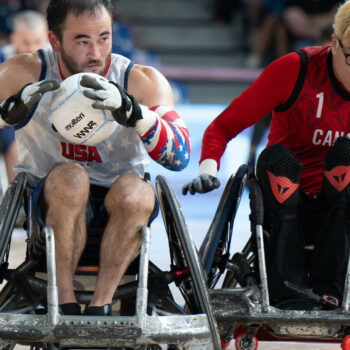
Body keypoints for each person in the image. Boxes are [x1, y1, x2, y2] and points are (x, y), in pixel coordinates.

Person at [0, 0, 190, 316]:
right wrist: (4, 117)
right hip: (49, 199)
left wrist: (137, 114)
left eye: (104, 38)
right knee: (71, 176)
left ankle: (101, 305)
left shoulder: (140, 80)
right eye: (82, 41)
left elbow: (180, 155)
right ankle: (65, 302)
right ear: (55, 40)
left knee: (138, 191)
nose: (96, 53)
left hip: (121, 201)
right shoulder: (22, 72)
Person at [183, 0, 350, 310]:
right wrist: (208, 168)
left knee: (347, 154)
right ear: (335, 44)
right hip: (285, 195)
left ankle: (332, 289)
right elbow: (222, 126)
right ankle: (287, 288)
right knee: (276, 158)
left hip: (340, 202)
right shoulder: (293, 69)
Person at [0, 10, 49, 185]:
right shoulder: (2, 58)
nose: (31, 48)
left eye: (37, 42)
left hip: (45, 119)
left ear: (48, 39)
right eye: (26, 42)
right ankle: (17, 196)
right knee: (13, 136)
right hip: (7, 120)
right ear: (14, 39)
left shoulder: (55, 61)